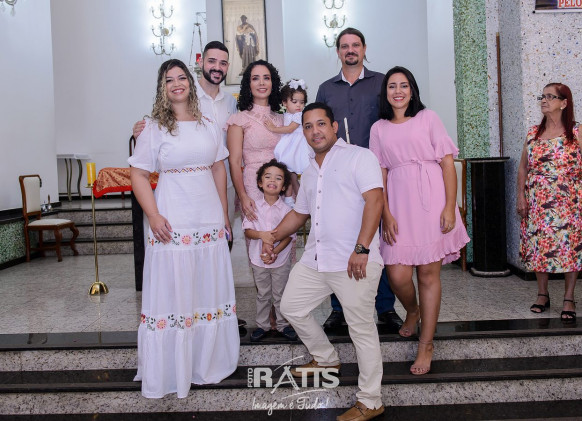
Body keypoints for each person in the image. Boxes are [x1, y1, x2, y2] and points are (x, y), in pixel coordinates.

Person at [129, 59, 239, 398]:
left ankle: (207, 362)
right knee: (174, 287)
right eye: (169, 80)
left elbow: (218, 168)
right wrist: (153, 215)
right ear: (162, 88)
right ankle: (173, 367)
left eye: (181, 77)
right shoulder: (153, 128)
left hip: (208, 215)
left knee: (206, 286)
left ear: (190, 83)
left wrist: (224, 213)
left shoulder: (209, 124)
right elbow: (138, 175)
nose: (176, 83)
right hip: (172, 215)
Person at [274, 102, 386, 421]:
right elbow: (299, 214)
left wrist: (362, 248)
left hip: (354, 261)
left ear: (334, 127)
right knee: (291, 306)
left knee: (361, 328)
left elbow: (375, 200)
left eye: (321, 124)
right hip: (316, 259)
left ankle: (371, 400)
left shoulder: (359, 157)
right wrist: (271, 236)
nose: (315, 131)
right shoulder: (309, 171)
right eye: (308, 126)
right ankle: (325, 358)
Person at [369, 66, 470, 376]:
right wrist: (385, 213)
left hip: (432, 200)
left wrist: (450, 206)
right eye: (392, 86)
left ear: (412, 90)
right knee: (397, 275)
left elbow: (447, 164)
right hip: (398, 204)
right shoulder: (378, 128)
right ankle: (412, 311)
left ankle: (426, 344)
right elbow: (379, 173)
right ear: (385, 93)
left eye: (404, 85)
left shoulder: (428, 118)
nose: (398, 91)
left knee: (428, 274)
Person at [316, 27, 401, 331]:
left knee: (377, 239)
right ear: (338, 51)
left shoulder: (381, 83)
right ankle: (338, 309)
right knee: (340, 239)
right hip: (339, 175)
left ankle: (385, 307)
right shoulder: (326, 89)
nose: (350, 50)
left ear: (364, 49)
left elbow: (395, 121)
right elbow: (319, 130)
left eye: (355, 45)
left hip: (376, 173)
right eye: (344, 46)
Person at [517, 82, 581, 322]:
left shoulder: (576, 132)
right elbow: (523, 168)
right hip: (538, 201)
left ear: (564, 103)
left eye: (550, 97)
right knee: (539, 246)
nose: (544, 100)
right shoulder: (533, 133)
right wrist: (521, 195)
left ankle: (569, 297)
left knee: (570, 247)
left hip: (569, 202)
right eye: (542, 96)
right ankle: (542, 294)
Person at [243, 159, 298, 342]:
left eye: (278, 178)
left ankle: (283, 325)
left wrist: (275, 251)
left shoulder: (287, 210)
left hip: (280, 260)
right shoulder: (253, 207)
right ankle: (262, 326)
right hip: (258, 260)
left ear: (284, 186)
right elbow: (248, 231)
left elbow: (289, 236)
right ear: (260, 183)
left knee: (280, 294)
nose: (272, 180)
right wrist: (262, 235)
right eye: (268, 177)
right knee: (263, 294)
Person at [226, 59, 283, 223]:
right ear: (248, 85)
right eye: (255, 78)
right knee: (258, 233)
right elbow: (234, 162)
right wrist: (243, 196)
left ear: (273, 83)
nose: (262, 83)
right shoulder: (239, 120)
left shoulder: (282, 120)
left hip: (281, 184)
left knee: (283, 234)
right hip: (254, 185)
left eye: (266, 78)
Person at [265, 79, 310, 205]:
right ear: (284, 102)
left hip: (296, 147)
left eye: (302, 102)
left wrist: (273, 128)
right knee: (290, 176)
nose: (298, 105)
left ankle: (298, 201)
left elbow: (290, 129)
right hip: (289, 145)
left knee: (291, 175)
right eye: (294, 102)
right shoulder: (285, 114)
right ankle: (292, 199)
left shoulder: (299, 115)